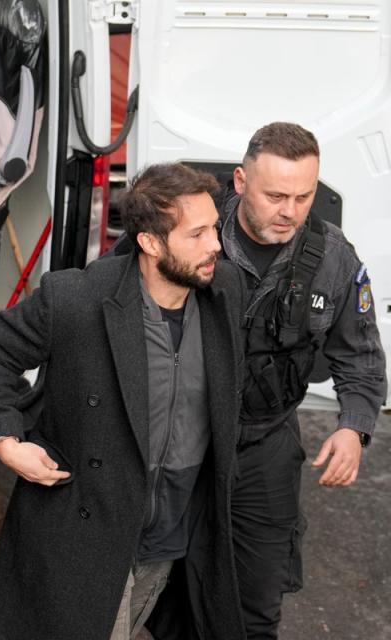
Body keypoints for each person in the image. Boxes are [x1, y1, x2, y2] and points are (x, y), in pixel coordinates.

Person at [0, 163, 247, 640]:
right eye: (198, 234)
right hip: (91, 532)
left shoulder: (225, 290)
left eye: (214, 229)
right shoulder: (77, 297)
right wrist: (6, 439)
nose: (216, 246)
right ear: (151, 243)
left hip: (172, 535)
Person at [215, 123, 387, 638]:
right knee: (163, 586)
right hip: (182, 440)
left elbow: (361, 355)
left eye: (303, 196)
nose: (289, 211)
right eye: (275, 196)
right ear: (241, 181)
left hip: (265, 442)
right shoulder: (192, 232)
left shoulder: (334, 257)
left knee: (258, 601)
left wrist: (353, 428)